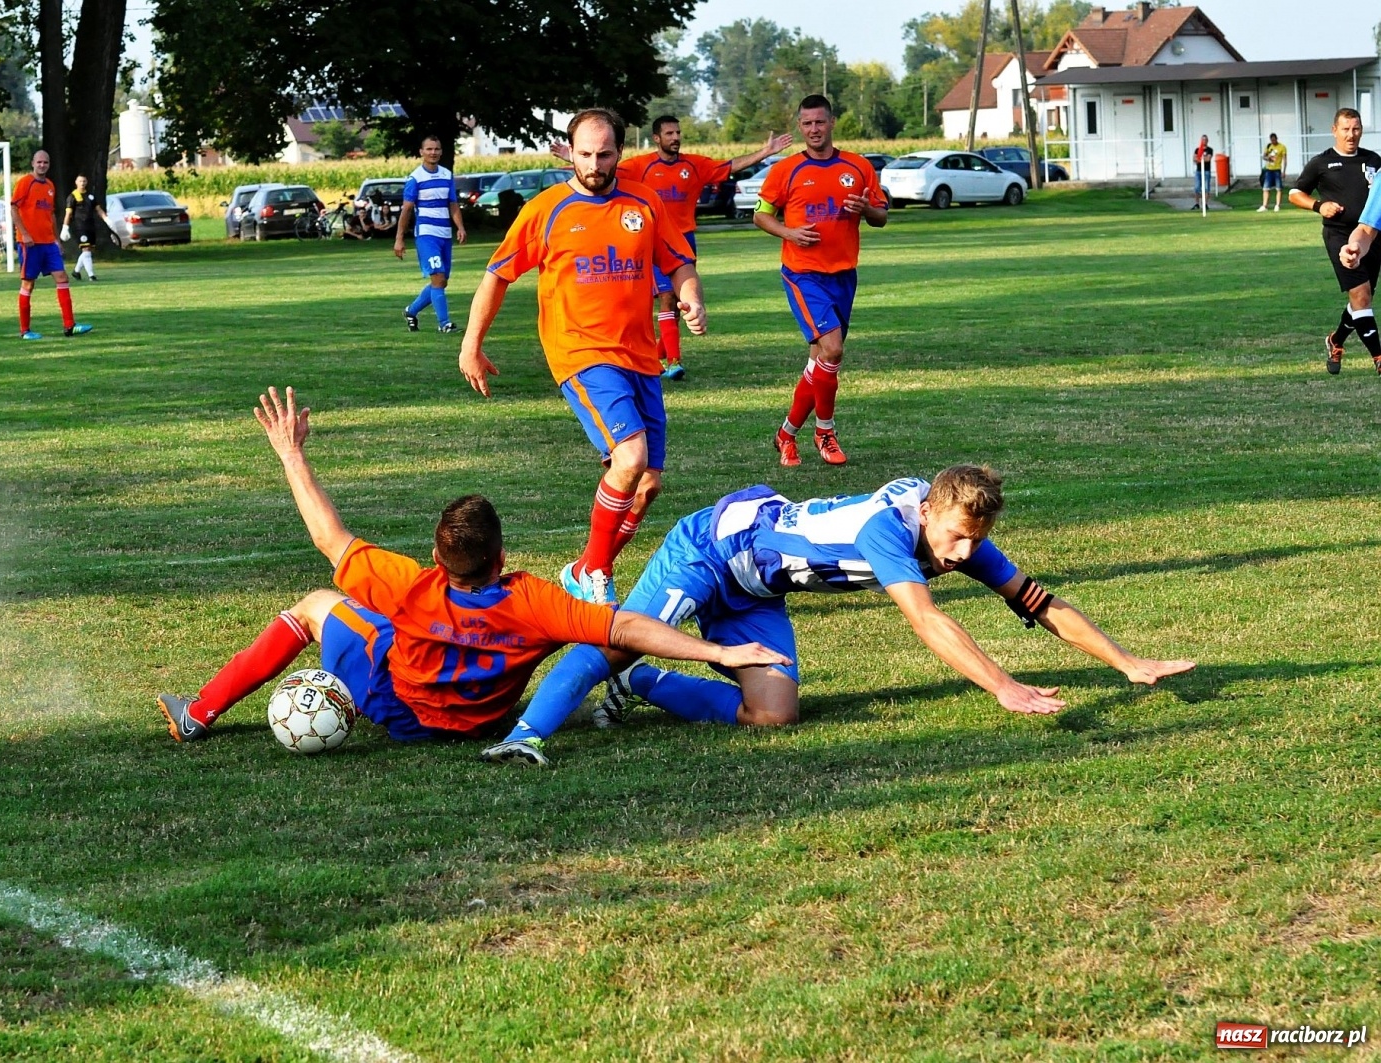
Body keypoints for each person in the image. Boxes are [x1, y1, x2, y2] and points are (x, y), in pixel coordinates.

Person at [157, 386, 790, 753]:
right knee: (589, 643)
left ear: (438, 558)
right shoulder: (532, 603)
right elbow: (626, 629)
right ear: (502, 557)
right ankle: (631, 693)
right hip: (483, 719)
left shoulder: (410, 585)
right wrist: (720, 652)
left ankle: (201, 713)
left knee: (319, 604)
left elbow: (329, 537)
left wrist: (291, 453)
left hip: (400, 712)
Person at [488, 466, 1196, 765]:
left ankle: (640, 686)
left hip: (755, 586)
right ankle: (526, 734)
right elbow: (926, 623)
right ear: (928, 512)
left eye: (973, 541)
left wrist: (1128, 662)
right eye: (953, 538)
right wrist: (1002, 686)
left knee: (773, 715)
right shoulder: (889, 531)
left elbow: (1040, 602)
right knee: (615, 639)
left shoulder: (958, 530)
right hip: (709, 547)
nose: (961, 553)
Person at [458, 107, 706, 607]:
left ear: (620, 152)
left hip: (639, 356)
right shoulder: (547, 209)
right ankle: (595, 575)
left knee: (648, 483)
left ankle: (586, 568)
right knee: (629, 457)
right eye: (586, 154)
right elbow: (498, 274)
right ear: (570, 151)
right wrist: (472, 343)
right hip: (580, 353)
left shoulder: (644, 202)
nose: (594, 164)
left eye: (605, 154)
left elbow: (679, 263)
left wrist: (692, 296)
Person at [553, 117, 792, 380]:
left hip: (685, 241)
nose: (675, 137)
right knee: (667, 298)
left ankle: (654, 356)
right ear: (657, 138)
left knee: (680, 304)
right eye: (669, 133)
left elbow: (730, 165)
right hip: (650, 240)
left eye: (677, 132)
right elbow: (600, 168)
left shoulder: (695, 165)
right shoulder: (641, 166)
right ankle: (674, 362)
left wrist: (766, 152)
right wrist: (571, 156)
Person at [753, 94, 887, 469]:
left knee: (820, 363)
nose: (814, 129)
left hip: (844, 274)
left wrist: (866, 210)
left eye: (820, 122)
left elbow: (881, 216)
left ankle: (786, 433)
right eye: (807, 123)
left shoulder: (858, 167)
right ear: (800, 126)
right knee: (833, 350)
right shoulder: (785, 170)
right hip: (803, 273)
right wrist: (789, 232)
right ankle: (824, 432)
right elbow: (760, 215)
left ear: (832, 123)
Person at [1290, 108, 1381, 375]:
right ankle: (1378, 356)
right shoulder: (1321, 162)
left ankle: (1336, 340)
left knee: (1360, 301)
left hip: (1373, 236)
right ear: (1334, 130)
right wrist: (1319, 205)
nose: (1351, 135)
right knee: (1361, 296)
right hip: (1340, 236)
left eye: (1356, 129)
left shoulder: (1374, 160)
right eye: (1346, 129)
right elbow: (1295, 193)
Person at [10, 150, 91, 341]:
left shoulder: (50, 185)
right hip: (29, 244)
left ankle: (69, 326)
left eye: (45, 162)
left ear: (49, 164)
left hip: (48, 242)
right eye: (39, 162)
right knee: (28, 284)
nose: (42, 165)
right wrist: (25, 233)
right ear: (33, 163)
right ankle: (25, 330)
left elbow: (51, 214)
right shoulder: (24, 183)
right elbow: (13, 208)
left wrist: (56, 239)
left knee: (62, 277)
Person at [395, 136, 468, 334]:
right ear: (421, 152)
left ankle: (411, 311)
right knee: (437, 279)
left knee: (441, 281)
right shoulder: (415, 178)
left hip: (445, 234)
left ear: (441, 151)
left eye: (436, 149)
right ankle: (444, 324)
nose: (433, 152)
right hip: (427, 235)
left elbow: (452, 204)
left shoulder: (446, 175)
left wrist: (460, 227)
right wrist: (399, 239)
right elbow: (407, 210)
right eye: (429, 149)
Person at [59, 174, 111, 281]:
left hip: (90, 226)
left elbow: (98, 209)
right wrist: (65, 227)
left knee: (88, 250)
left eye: (84, 181)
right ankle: (91, 275)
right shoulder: (72, 196)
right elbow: (68, 214)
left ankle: (76, 271)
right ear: (76, 182)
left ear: (86, 183)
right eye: (80, 181)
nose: (82, 183)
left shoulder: (90, 196)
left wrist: (107, 219)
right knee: (86, 250)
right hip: (79, 226)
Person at [1258, 133, 1287, 213]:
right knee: (1265, 188)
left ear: (1276, 139)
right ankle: (1264, 205)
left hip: (1277, 169)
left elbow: (1285, 159)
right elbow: (1264, 156)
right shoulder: (1268, 146)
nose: (1273, 141)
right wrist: (1268, 158)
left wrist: (1284, 171)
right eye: (1272, 140)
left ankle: (1277, 205)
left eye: (1274, 139)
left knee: (1278, 188)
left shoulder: (1282, 147)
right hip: (1268, 169)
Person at [1192, 135, 1214, 210]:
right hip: (1198, 171)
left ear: (1207, 140)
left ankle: (1205, 204)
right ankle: (1197, 203)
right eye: (1203, 139)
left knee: (1206, 188)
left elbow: (1208, 159)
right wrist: (1200, 158)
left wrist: (1200, 158)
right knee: (1197, 187)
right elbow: (1194, 159)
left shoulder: (1210, 150)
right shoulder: (1197, 149)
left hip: (1206, 171)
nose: (1204, 141)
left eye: (1205, 139)